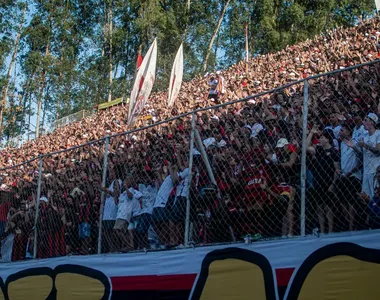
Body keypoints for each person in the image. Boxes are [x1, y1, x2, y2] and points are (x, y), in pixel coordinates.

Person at [308, 129, 340, 234]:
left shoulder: (334, 152)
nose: (320, 139)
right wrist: (311, 133)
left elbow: (337, 170)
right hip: (318, 182)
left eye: (322, 137)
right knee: (319, 207)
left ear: (328, 139)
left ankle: (330, 230)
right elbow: (306, 146)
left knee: (328, 207)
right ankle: (322, 230)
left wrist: (333, 184)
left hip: (328, 182)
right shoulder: (319, 150)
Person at [336, 123, 362, 231]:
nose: (340, 132)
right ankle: (348, 223)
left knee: (351, 201)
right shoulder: (341, 143)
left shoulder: (355, 141)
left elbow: (361, 158)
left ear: (348, 131)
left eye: (342, 130)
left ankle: (352, 226)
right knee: (342, 201)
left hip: (353, 176)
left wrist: (354, 147)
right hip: (343, 176)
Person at [113, 176, 142, 252]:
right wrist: (115, 193)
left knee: (117, 229)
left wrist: (126, 188)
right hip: (120, 214)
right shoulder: (123, 193)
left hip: (125, 214)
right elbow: (117, 202)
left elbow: (130, 196)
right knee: (123, 231)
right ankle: (128, 245)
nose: (124, 182)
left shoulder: (131, 190)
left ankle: (129, 245)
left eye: (126, 180)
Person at [358, 113, 380, 199]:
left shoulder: (378, 134)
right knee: (365, 198)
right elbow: (361, 154)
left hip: (375, 171)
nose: (363, 122)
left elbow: (378, 151)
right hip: (366, 171)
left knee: (376, 197)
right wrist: (353, 147)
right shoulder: (365, 136)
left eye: (365, 120)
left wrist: (365, 145)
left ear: (372, 122)